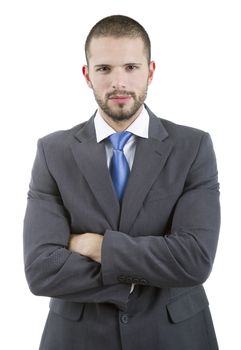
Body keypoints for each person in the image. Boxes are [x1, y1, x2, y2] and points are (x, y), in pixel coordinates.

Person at [23, 15, 220, 350]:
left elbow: (194, 259)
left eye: (131, 67)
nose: (118, 82)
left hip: (176, 336)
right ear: (87, 75)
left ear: (150, 71)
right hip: (78, 338)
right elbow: (42, 269)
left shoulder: (193, 147)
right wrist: (138, 277)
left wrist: (95, 247)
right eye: (104, 69)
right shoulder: (52, 152)